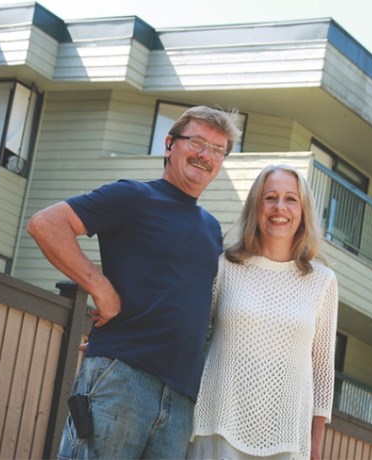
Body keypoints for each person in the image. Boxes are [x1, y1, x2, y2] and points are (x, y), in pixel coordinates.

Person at [27, 106, 242, 459]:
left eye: (218, 150)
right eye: (198, 143)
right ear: (170, 144)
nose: (206, 156)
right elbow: (46, 224)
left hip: (182, 395)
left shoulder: (210, 228)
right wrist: (100, 287)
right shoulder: (134, 196)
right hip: (122, 376)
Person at [187, 164, 339, 460]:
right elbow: (187, 329)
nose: (279, 207)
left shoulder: (322, 281)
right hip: (218, 425)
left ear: (304, 209)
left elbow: (322, 371)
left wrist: (315, 448)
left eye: (290, 199)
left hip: (287, 436)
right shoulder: (225, 266)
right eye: (270, 197)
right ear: (256, 206)